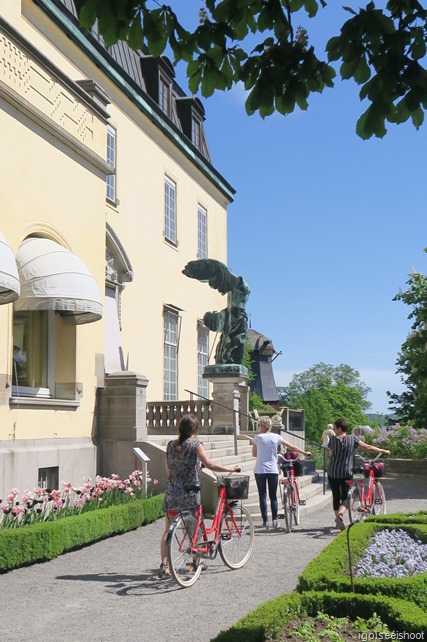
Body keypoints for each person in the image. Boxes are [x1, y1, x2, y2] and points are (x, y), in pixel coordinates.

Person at [159, 414, 241, 579]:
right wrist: (230, 468)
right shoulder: (196, 445)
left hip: (172, 492)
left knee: (168, 530)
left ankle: (165, 565)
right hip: (189, 493)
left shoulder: (170, 445)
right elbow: (209, 464)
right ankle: (195, 563)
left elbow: (168, 469)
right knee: (195, 527)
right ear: (194, 430)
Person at [328, 418, 391, 531]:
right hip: (346, 473)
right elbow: (367, 448)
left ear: (339, 428)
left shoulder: (332, 440)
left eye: (335, 427)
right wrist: (382, 450)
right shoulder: (353, 439)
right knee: (346, 496)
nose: (334, 429)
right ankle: (340, 514)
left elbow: (330, 454)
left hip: (333, 472)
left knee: (336, 496)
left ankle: (338, 522)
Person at [252, 416, 311, 530]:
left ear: (263, 426)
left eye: (259, 425)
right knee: (273, 496)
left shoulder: (257, 438)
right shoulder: (276, 437)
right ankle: (275, 520)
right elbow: (291, 446)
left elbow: (254, 454)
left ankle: (265, 521)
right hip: (273, 470)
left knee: (262, 496)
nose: (258, 427)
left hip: (260, 469)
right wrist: (304, 452)